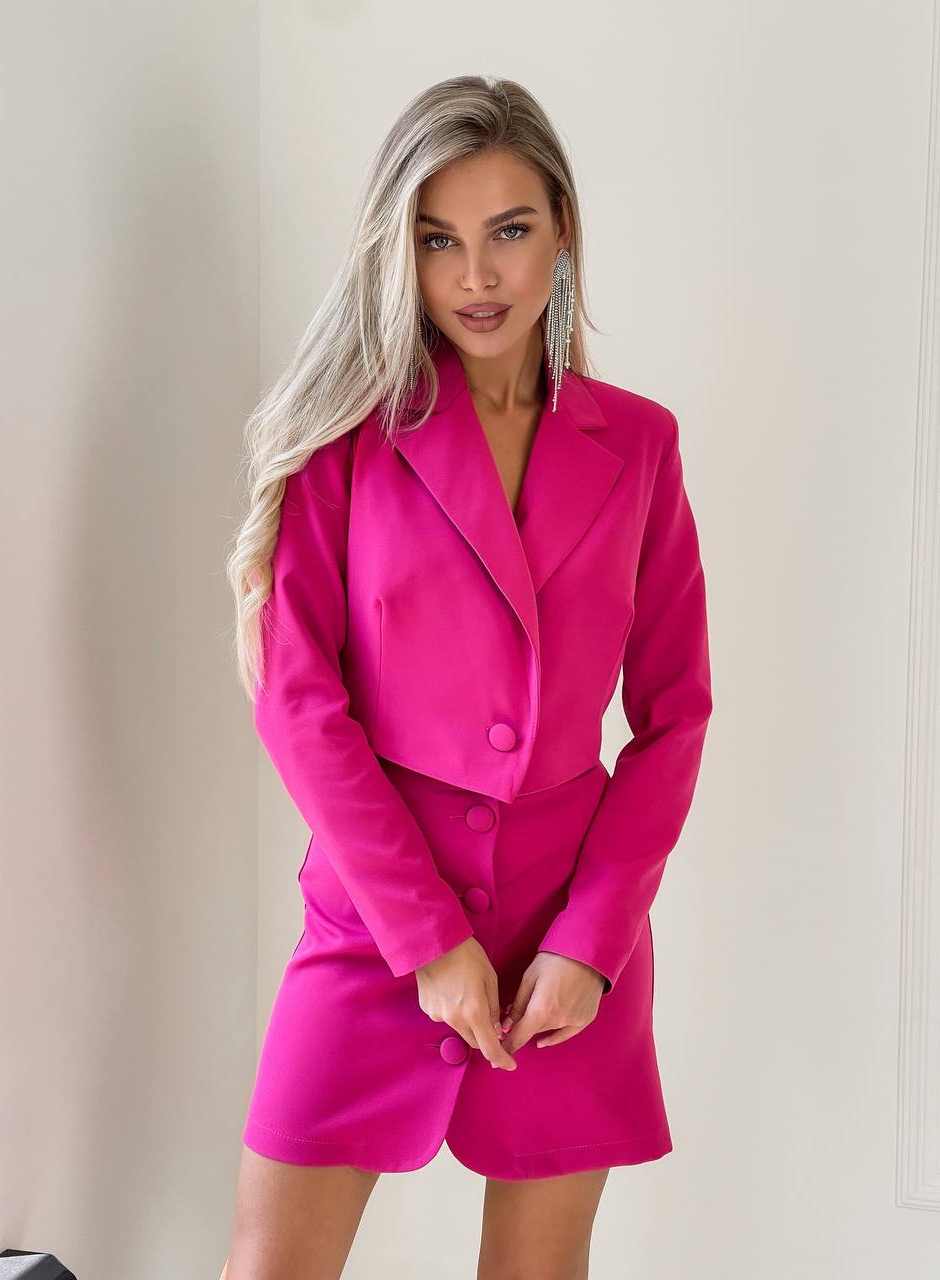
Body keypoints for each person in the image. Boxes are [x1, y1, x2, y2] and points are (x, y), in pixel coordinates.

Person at [221, 74, 713, 1280]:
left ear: (564, 233)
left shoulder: (639, 444)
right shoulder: (344, 443)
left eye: (509, 232)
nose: (476, 276)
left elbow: (674, 712)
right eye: (439, 240)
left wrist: (593, 941)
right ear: (401, 251)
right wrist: (427, 937)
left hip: (568, 940)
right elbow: (298, 702)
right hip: (375, 920)